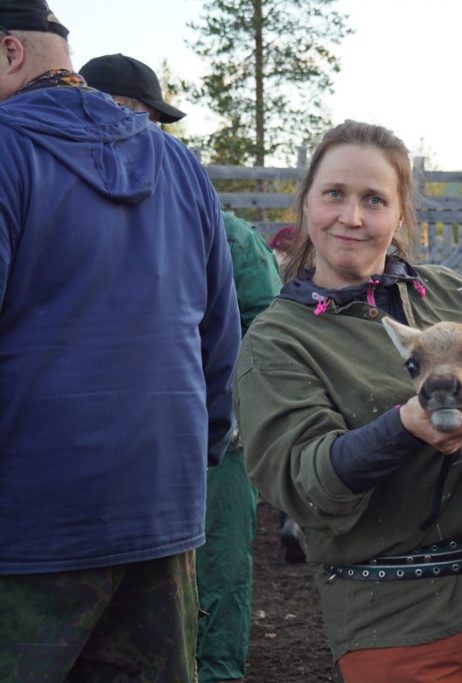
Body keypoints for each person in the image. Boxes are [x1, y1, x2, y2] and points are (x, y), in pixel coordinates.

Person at [233, 119, 462, 682]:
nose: (352, 217)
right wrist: (403, 428)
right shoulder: (279, 342)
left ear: (400, 213)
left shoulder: (455, 297)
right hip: (394, 612)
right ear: (307, 202)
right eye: (334, 194)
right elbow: (303, 480)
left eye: (374, 199)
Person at [0, 3, 240, 682]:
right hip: (161, 508)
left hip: (27, 527)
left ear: (10, 51)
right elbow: (219, 336)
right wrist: (195, 459)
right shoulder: (181, 165)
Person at [79, 52, 284, 683]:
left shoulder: (221, 231)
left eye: (142, 118)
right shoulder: (61, 219)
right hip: (100, 444)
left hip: (208, 438)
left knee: (215, 567)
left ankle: (215, 672)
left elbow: (265, 325)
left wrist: (232, 405)